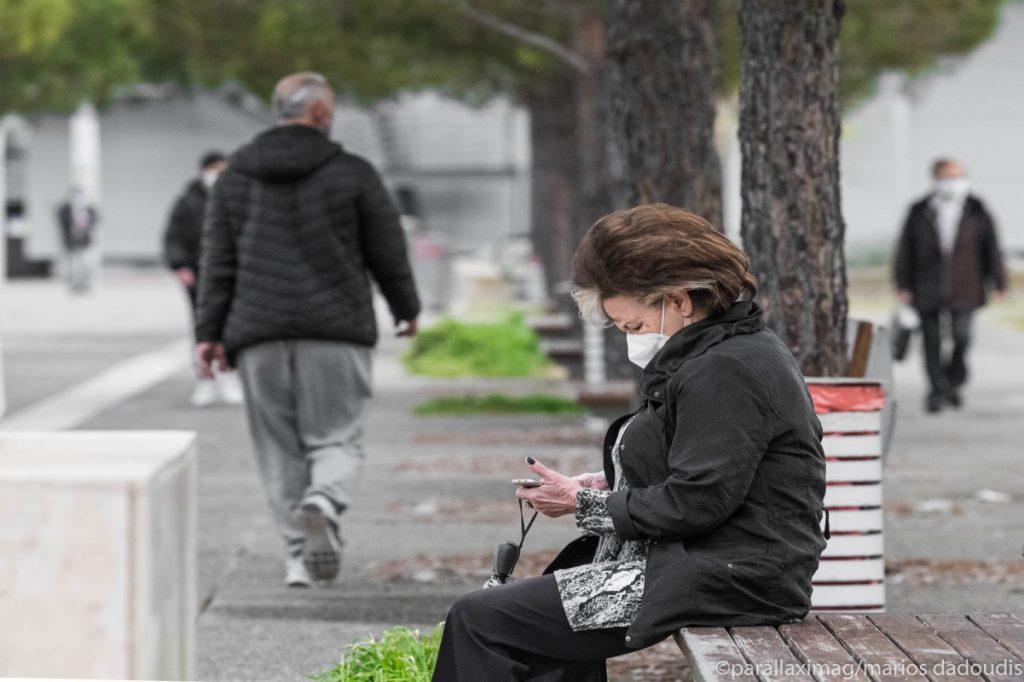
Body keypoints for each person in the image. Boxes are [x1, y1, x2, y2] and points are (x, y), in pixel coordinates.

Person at [433, 204, 827, 681]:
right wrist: (610, 480)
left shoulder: (726, 369)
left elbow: (696, 501)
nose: (631, 341)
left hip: (726, 579)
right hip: (707, 567)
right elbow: (704, 463)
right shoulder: (716, 352)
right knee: (526, 624)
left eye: (635, 327)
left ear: (680, 300)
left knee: (480, 619)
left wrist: (585, 504)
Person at [194, 72, 420, 588]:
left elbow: (217, 262)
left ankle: (299, 555)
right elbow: (387, 249)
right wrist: (405, 306)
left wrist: (208, 333)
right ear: (320, 114)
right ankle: (325, 499)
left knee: (277, 449)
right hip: (334, 331)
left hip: (257, 335)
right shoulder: (353, 173)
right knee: (337, 437)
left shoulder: (234, 177)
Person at [894, 158, 1007, 413]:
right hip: (926, 286)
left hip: (966, 286)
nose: (953, 182)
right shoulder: (920, 210)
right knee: (931, 342)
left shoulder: (977, 209)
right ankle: (936, 391)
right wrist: (902, 282)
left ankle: (953, 380)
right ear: (936, 179)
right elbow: (905, 249)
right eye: (947, 177)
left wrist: (998, 281)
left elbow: (991, 248)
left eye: (957, 176)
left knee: (961, 336)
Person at [163, 151, 244, 407]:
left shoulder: (238, 199)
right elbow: (173, 237)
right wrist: (180, 265)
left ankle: (229, 376)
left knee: (232, 327)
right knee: (203, 326)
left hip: (231, 274)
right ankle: (206, 380)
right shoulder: (187, 202)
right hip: (199, 275)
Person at [56, 186, 98, 293]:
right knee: (73, 265)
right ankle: (74, 285)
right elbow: (62, 223)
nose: (77, 199)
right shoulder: (65, 210)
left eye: (79, 196)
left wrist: (84, 221)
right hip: (70, 243)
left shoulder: (89, 210)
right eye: (75, 197)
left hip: (85, 242)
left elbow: (95, 222)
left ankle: (85, 284)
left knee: (85, 263)